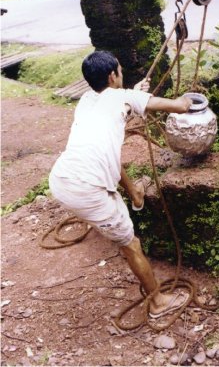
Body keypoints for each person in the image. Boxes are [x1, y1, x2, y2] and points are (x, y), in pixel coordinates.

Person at [49, 50, 192, 318]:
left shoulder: (87, 100)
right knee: (131, 244)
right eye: (120, 70)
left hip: (61, 179)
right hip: (85, 189)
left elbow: (118, 102)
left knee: (110, 162)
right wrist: (187, 100)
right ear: (112, 75)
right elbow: (180, 106)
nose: (122, 74)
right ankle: (159, 303)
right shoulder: (123, 97)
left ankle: (133, 194)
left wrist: (134, 95)